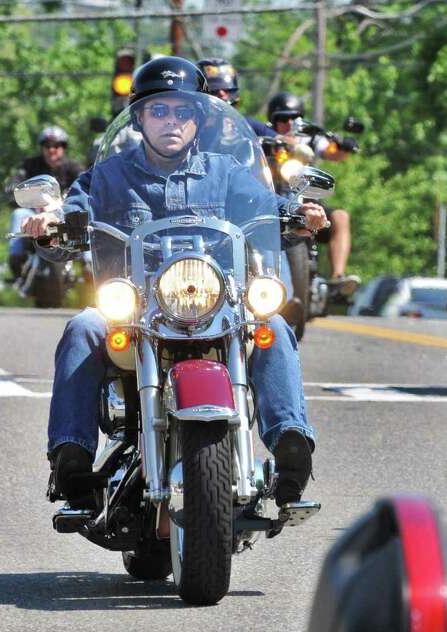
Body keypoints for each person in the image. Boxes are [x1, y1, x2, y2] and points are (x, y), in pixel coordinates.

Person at [20, 56, 329, 509]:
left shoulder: (225, 173)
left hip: (217, 304)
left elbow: (268, 205)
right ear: (140, 118)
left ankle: (291, 446)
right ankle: (71, 456)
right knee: (83, 327)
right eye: (159, 111)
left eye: (182, 111)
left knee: (275, 325)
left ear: (198, 120)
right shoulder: (109, 176)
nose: (171, 121)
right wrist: (51, 219)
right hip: (138, 306)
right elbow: (73, 209)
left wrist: (298, 214)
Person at [265, 91, 360, 295]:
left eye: (294, 117)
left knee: (341, 217)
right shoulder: (261, 137)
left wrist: (345, 146)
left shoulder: (310, 137)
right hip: (269, 200)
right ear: (272, 120)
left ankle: (338, 279)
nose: (289, 122)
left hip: (304, 199)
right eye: (282, 118)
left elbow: (332, 152)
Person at [7, 125, 84, 279]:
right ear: (42, 148)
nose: (52, 150)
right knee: (18, 214)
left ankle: (89, 268)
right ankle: (16, 260)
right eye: (47, 146)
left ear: (63, 148)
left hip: (64, 216)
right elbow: (13, 184)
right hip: (35, 212)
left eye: (57, 146)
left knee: (87, 221)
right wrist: (16, 191)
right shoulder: (30, 166)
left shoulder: (74, 168)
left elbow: (86, 188)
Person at [196, 57, 276, 138]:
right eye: (213, 89)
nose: (221, 93)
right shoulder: (189, 125)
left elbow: (280, 139)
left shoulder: (244, 124)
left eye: (227, 89)